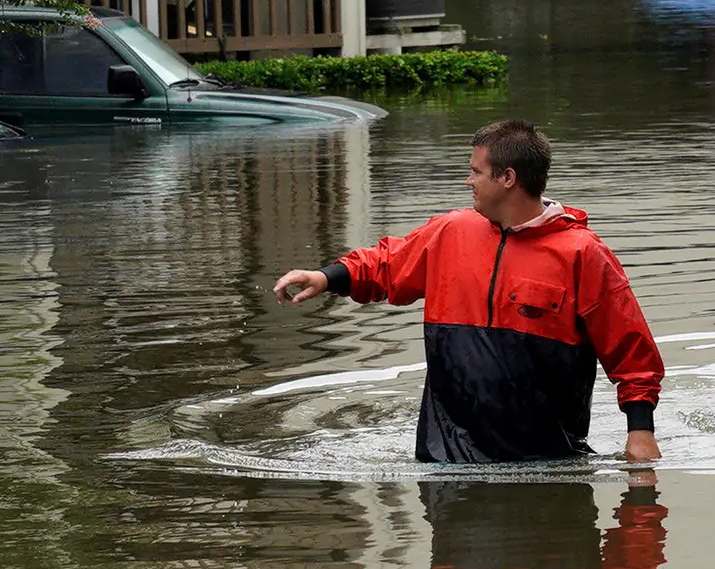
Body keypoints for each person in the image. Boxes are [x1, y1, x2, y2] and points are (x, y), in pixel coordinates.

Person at [274, 119, 665, 463]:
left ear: (507, 178)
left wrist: (640, 432)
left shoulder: (582, 253)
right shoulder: (449, 232)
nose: (468, 180)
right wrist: (326, 277)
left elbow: (631, 351)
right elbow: (386, 264)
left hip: (546, 465)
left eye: (476, 171)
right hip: (442, 459)